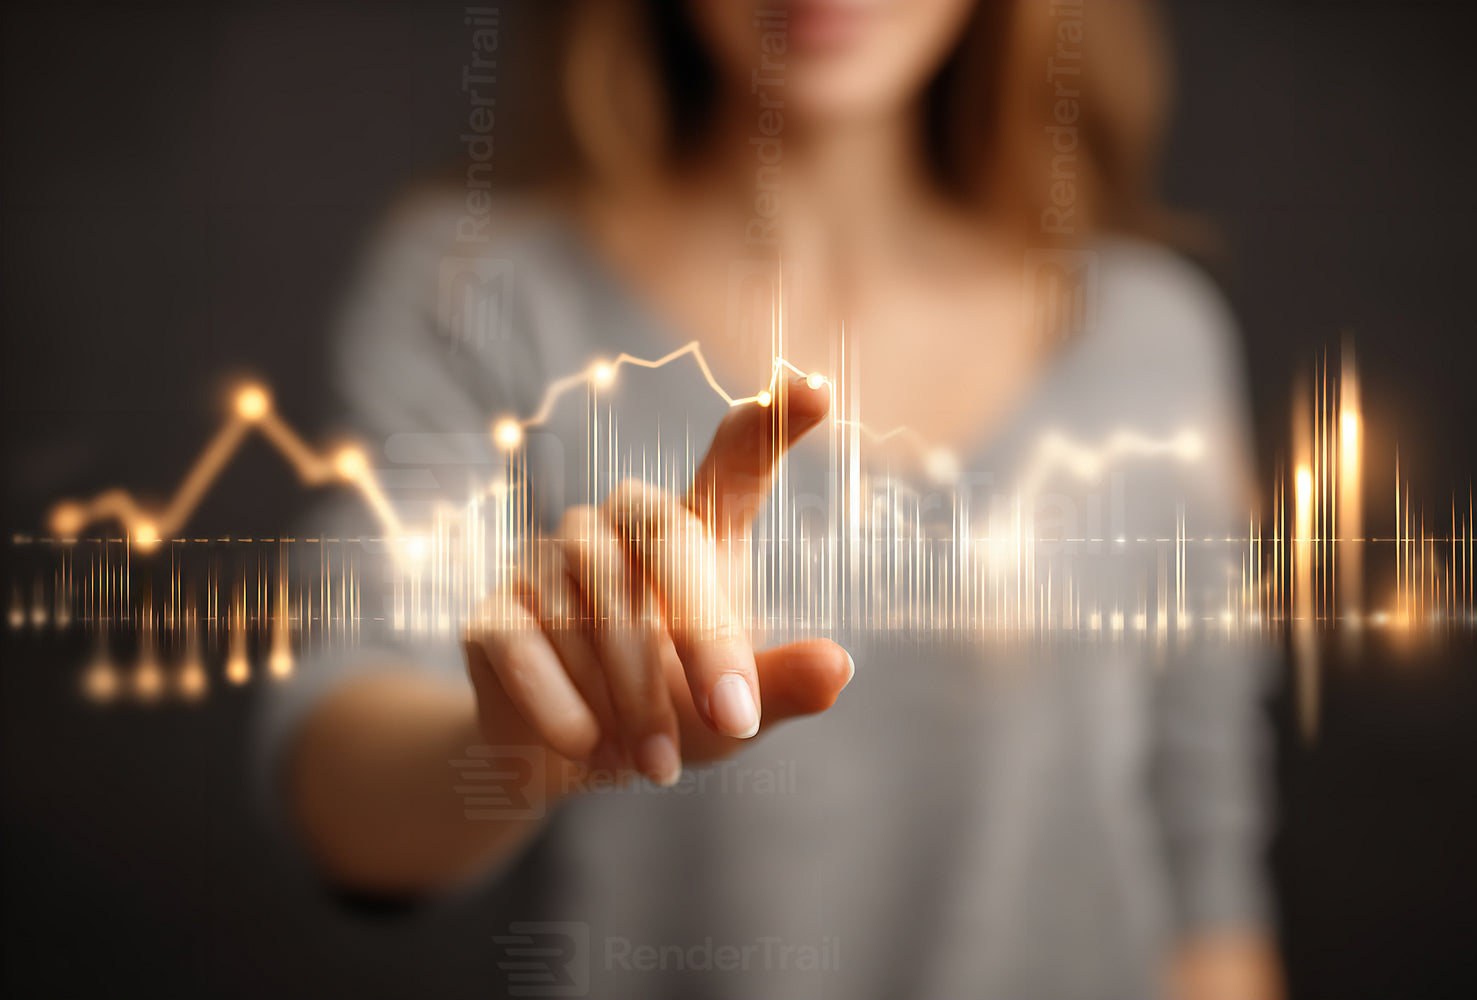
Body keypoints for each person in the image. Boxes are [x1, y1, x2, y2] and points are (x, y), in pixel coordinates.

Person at [268, 2, 1283, 996]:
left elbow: (1206, 873)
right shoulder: (481, 293)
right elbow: (339, 771)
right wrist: (517, 747)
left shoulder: (1155, 339)